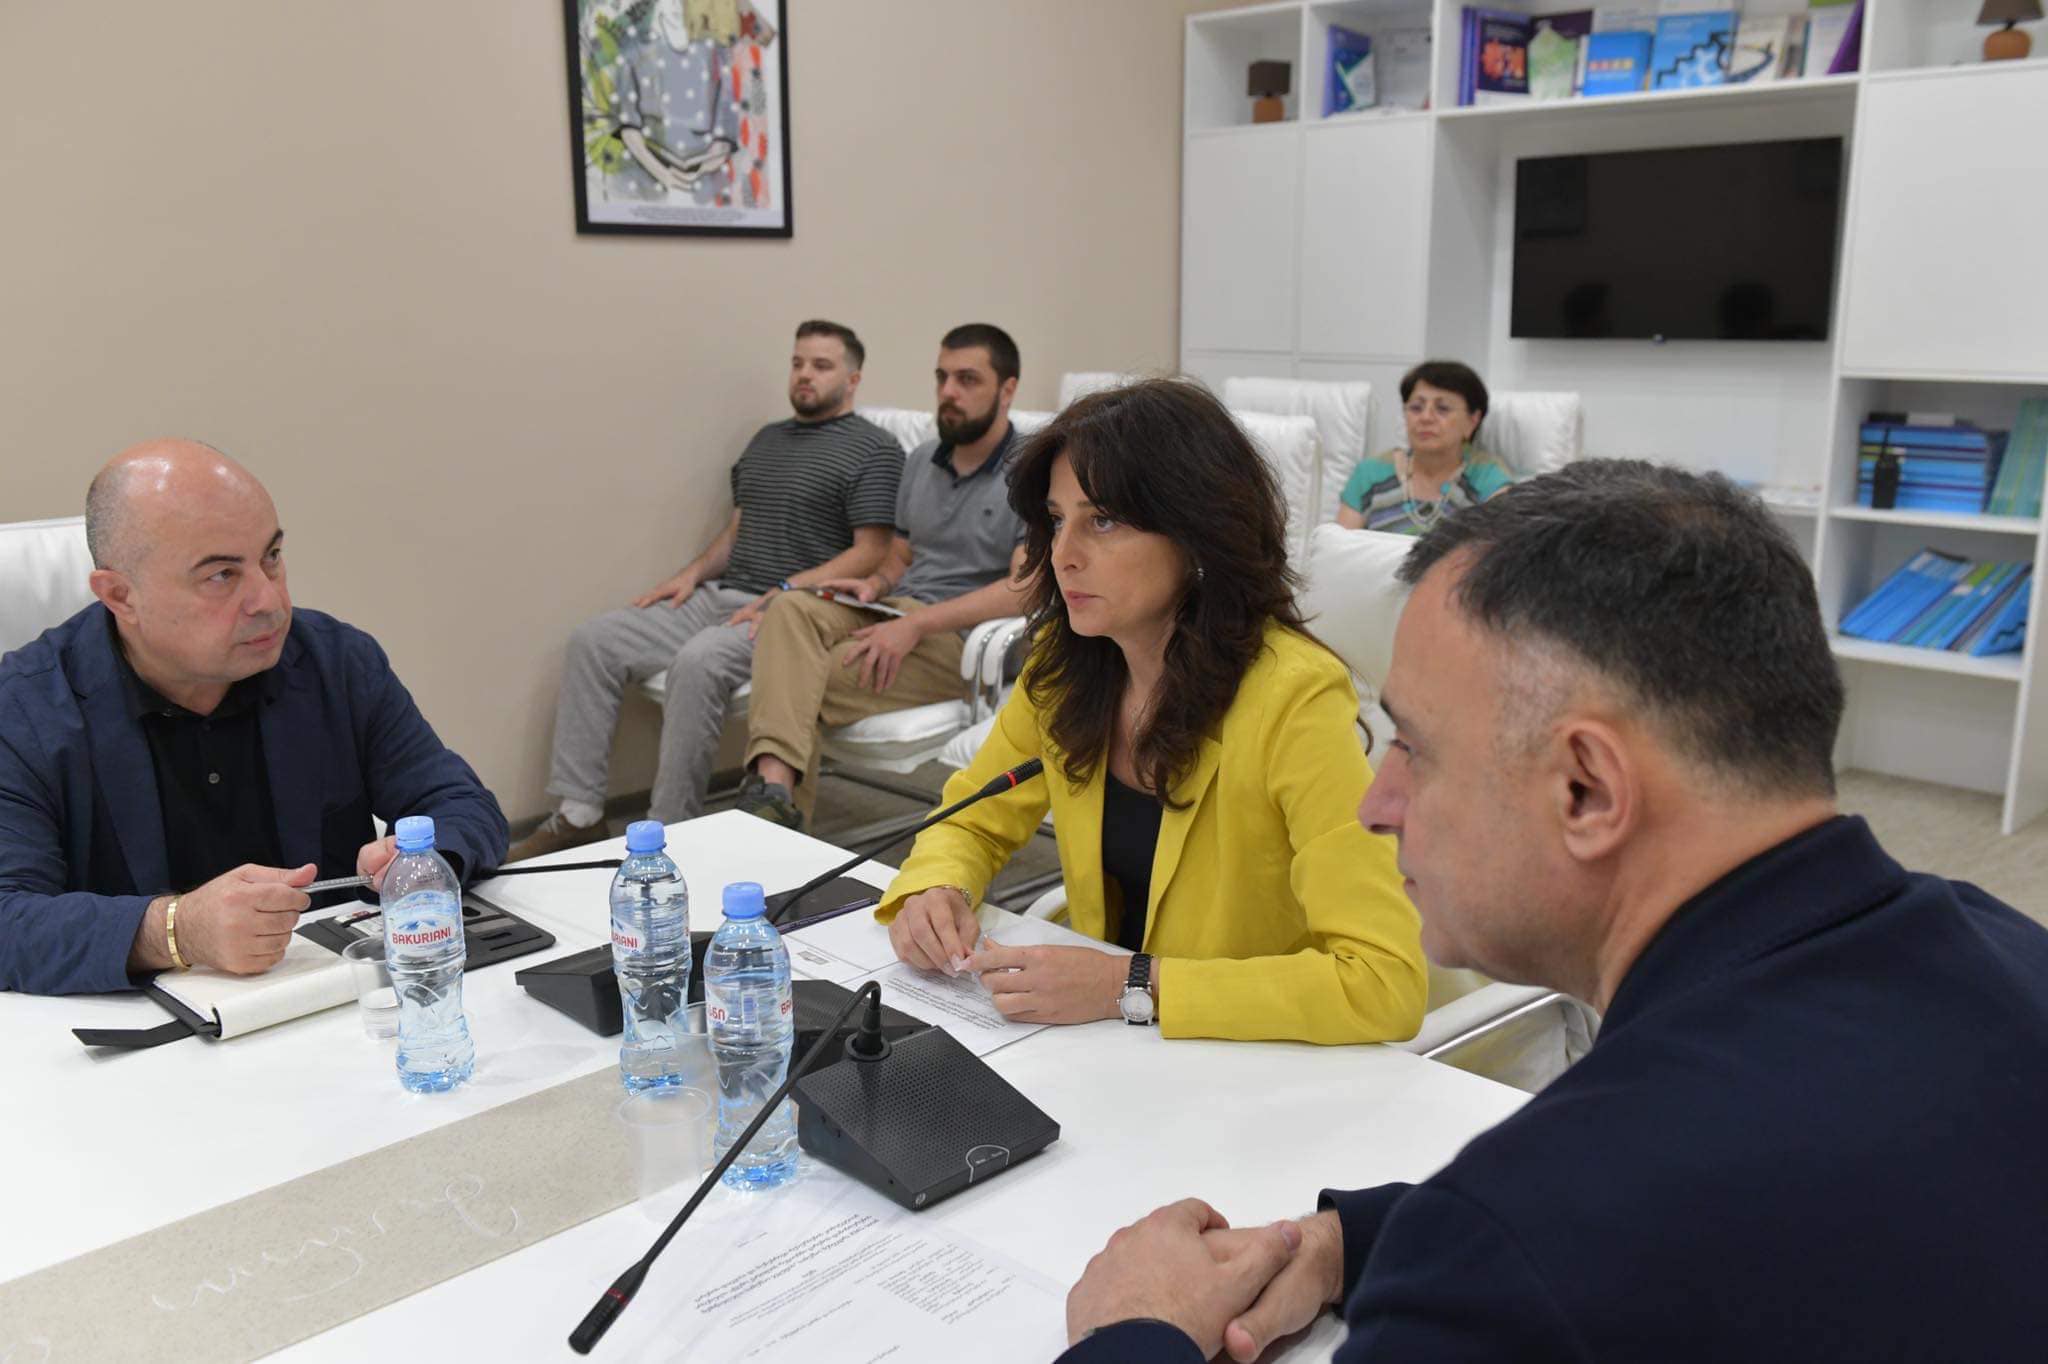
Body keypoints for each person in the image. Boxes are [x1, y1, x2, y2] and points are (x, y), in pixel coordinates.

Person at [1059, 461, 2048, 1362]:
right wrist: (1353, 1240)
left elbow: (1575, 1242)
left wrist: (1136, 1330)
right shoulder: (2006, 954)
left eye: (1413, 747)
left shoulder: (1528, 1253)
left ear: (1586, 790)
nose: (1377, 803)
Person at [877, 380, 1426, 1045]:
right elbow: (971, 821)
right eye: (1057, 520)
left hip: (1244, 1056)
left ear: (1196, 533)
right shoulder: (1065, 664)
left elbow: (1383, 980)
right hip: (1102, 1045)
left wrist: (1129, 984)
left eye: (1102, 521)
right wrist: (936, 889)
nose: (1063, 554)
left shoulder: (1294, 698)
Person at [0, 441, 508, 996]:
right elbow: (8, 917)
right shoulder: (23, 712)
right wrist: (176, 931)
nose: (269, 601)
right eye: (222, 575)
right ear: (121, 596)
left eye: (271, 557)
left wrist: (421, 864)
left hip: (331, 999)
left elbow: (461, 803)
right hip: (135, 1024)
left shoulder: (334, 661)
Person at [512, 320, 901, 859]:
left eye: (821, 365)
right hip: (722, 596)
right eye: (797, 363)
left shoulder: (875, 449)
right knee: (594, 641)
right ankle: (579, 814)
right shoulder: (767, 440)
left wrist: (786, 591)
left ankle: (670, 836)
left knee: (696, 662)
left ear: (853, 379)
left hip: (793, 616)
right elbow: (740, 528)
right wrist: (692, 574)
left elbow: (872, 550)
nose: (804, 375)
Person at [735, 323, 1032, 830]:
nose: (948, 392)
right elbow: (900, 557)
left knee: (799, 681)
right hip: (896, 610)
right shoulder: (921, 460)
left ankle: (772, 814)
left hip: (962, 643)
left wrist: (917, 625)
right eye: (941, 377)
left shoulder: (1032, 471)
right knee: (790, 606)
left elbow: (1025, 590)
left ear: (1007, 389)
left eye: (967, 379)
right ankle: (776, 798)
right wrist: (873, 586)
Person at [1335, 360, 1514, 534]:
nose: (1426, 417)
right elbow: (1340, 546)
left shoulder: (1488, 476)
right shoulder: (1370, 473)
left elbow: (1500, 545)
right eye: (1416, 408)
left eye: (1442, 408)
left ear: (1473, 420)